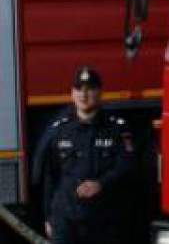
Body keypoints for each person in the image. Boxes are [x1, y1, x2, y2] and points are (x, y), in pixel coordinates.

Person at [32, 67, 135, 244]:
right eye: (79, 89)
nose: (83, 94)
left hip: (102, 221)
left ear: (100, 93)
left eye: (89, 89)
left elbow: (127, 167)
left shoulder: (116, 129)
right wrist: (49, 218)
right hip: (65, 219)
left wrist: (101, 184)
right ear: (72, 94)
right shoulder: (59, 130)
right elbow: (49, 178)